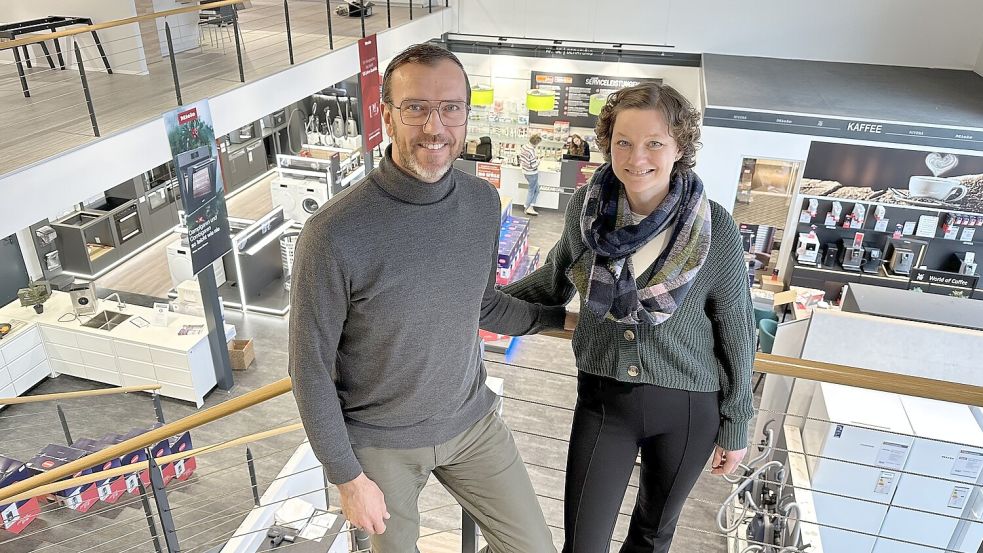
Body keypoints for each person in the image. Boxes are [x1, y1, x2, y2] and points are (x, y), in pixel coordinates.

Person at [289, 43, 561, 553]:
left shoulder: (482, 201)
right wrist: (347, 477)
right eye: (415, 108)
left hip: (472, 423)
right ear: (387, 116)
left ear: (465, 114)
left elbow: (483, 305)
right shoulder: (333, 233)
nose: (435, 127)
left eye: (450, 108)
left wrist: (556, 319)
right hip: (380, 442)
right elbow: (309, 370)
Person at [502, 82, 755, 552]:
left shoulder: (713, 225)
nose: (637, 157)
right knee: (583, 541)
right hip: (604, 401)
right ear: (608, 143)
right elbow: (551, 282)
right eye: (624, 142)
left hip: (687, 407)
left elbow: (737, 327)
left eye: (654, 143)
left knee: (652, 536)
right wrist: (474, 303)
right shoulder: (586, 211)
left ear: (680, 147)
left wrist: (737, 423)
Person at [520, 133, 543, 215]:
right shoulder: (531, 151)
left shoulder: (524, 147)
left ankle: (530, 207)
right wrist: (539, 161)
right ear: (536, 143)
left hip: (525, 172)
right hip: (532, 173)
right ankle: (527, 207)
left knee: (537, 190)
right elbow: (533, 165)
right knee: (532, 190)